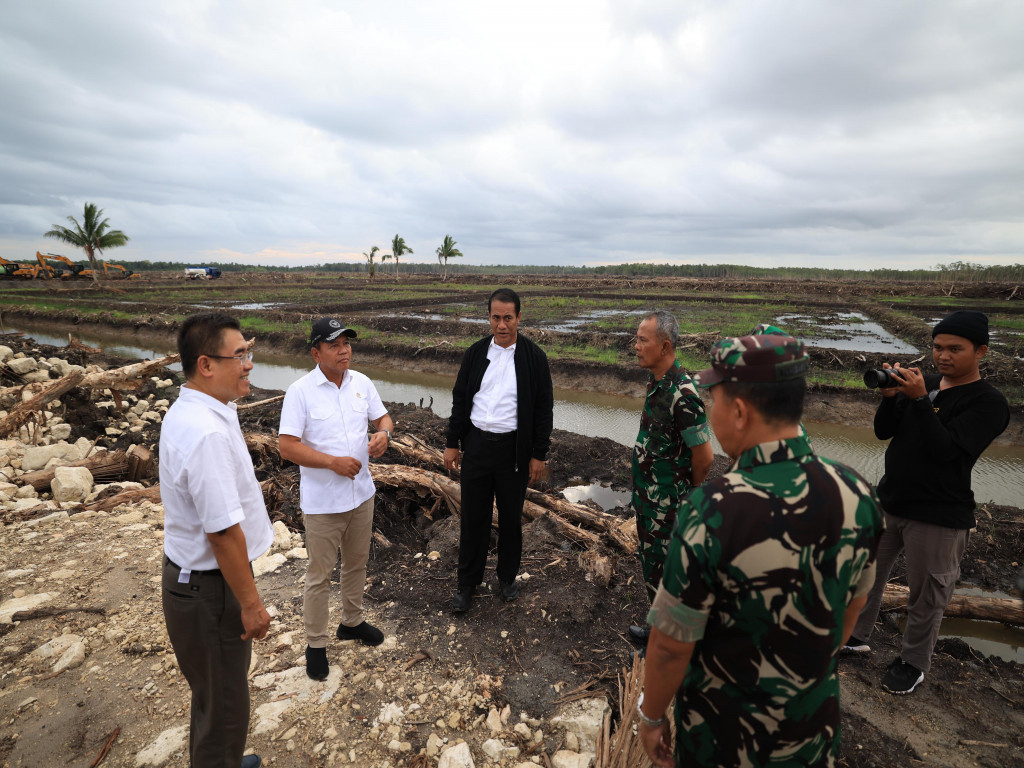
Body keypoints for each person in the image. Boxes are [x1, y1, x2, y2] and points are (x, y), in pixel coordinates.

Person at [638, 333, 883, 768]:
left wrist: (652, 715)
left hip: (723, 740)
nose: (710, 412)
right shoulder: (857, 493)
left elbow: (671, 646)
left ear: (738, 410)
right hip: (812, 734)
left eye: (714, 400)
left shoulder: (711, 511)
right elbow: (850, 612)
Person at [844, 310, 1009, 694]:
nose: (943, 356)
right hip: (892, 501)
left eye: (955, 348)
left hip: (939, 514)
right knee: (867, 575)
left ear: (980, 351)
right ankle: (857, 634)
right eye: (937, 347)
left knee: (926, 595)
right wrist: (890, 397)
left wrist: (919, 401)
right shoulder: (928, 383)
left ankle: (913, 662)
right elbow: (885, 431)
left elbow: (946, 452)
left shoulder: (988, 403)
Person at [160, 312, 271, 768]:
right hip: (209, 589)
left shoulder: (200, 407)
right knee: (225, 706)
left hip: (196, 581)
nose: (248, 364)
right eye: (239, 355)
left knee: (213, 695)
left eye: (249, 352)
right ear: (206, 364)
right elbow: (223, 532)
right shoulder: (204, 432)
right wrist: (251, 602)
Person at [278, 318, 395, 681]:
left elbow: (384, 418)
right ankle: (315, 644)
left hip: (361, 494)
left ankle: (352, 622)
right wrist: (332, 462)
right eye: (334, 345)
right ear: (316, 352)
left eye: (347, 343)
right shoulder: (300, 391)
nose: (344, 350)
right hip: (324, 503)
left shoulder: (361, 383)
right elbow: (287, 446)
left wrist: (384, 435)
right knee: (319, 575)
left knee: (357, 564)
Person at [443, 288, 554, 613]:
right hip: (476, 446)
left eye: (508, 317)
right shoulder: (476, 353)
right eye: (496, 317)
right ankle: (467, 584)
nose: (502, 324)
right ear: (488, 317)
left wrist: (539, 453)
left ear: (519, 317)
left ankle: (507, 578)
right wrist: (453, 442)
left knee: (510, 519)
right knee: (473, 518)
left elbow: (544, 409)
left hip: (514, 452)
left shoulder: (534, 358)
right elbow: (461, 398)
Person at [628, 310, 712, 649]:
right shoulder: (657, 382)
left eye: (642, 340)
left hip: (670, 509)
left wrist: (686, 498)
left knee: (670, 577)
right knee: (652, 571)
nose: (635, 346)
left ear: (664, 346)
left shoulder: (683, 393)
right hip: (651, 502)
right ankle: (658, 629)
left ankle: (671, 644)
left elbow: (704, 458)